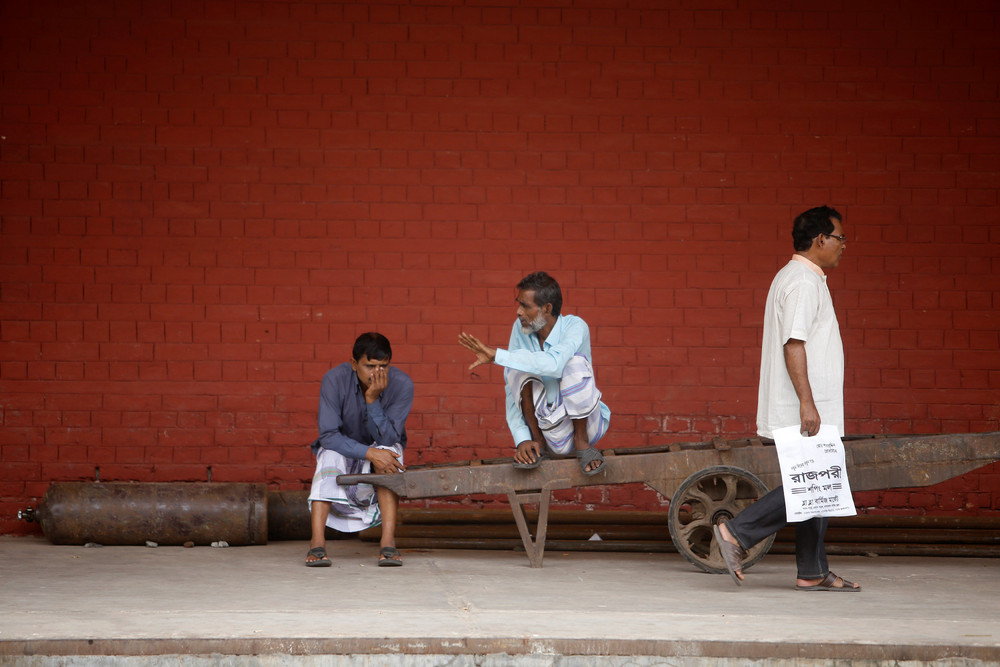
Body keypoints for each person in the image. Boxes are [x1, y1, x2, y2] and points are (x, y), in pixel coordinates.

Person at [713, 206, 861, 591]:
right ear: (821, 240)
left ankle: (812, 570)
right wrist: (807, 403)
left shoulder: (803, 277)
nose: (845, 245)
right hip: (806, 406)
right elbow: (794, 345)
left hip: (811, 404)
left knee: (820, 483)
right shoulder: (802, 282)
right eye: (841, 238)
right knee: (812, 484)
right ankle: (737, 532)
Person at [459, 271, 611, 475]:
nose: (518, 312)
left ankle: (582, 444)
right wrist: (523, 438)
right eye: (518, 304)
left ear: (547, 308)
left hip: (586, 424)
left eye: (525, 306)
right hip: (548, 430)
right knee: (515, 369)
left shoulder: (575, 326)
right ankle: (537, 444)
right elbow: (511, 384)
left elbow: (555, 364)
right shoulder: (521, 328)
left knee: (572, 362)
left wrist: (498, 356)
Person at [305, 332, 414, 568]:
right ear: (354, 364)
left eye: (383, 366)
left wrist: (372, 400)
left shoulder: (403, 384)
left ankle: (388, 543)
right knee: (329, 455)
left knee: (389, 453)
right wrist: (368, 453)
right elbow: (329, 435)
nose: (377, 373)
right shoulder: (334, 380)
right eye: (370, 366)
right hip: (342, 446)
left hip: (381, 447)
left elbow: (389, 437)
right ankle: (317, 543)